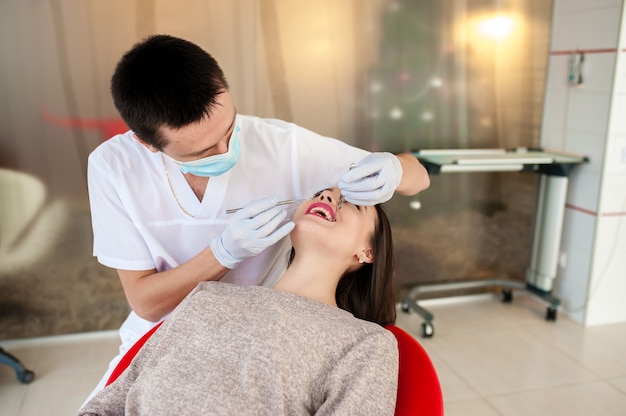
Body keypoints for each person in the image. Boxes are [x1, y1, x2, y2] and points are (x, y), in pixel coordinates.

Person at [85, 34, 429, 403]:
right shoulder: (113, 168)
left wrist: (396, 168)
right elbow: (145, 306)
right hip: (172, 333)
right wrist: (222, 254)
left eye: (230, 130)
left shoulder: (363, 346)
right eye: (203, 151)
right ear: (147, 143)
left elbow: (417, 176)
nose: (226, 150)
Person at [79, 188, 399, 415]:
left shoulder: (367, 344)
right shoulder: (209, 295)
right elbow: (115, 398)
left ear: (367, 252)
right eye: (322, 192)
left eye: (353, 204)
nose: (329, 197)